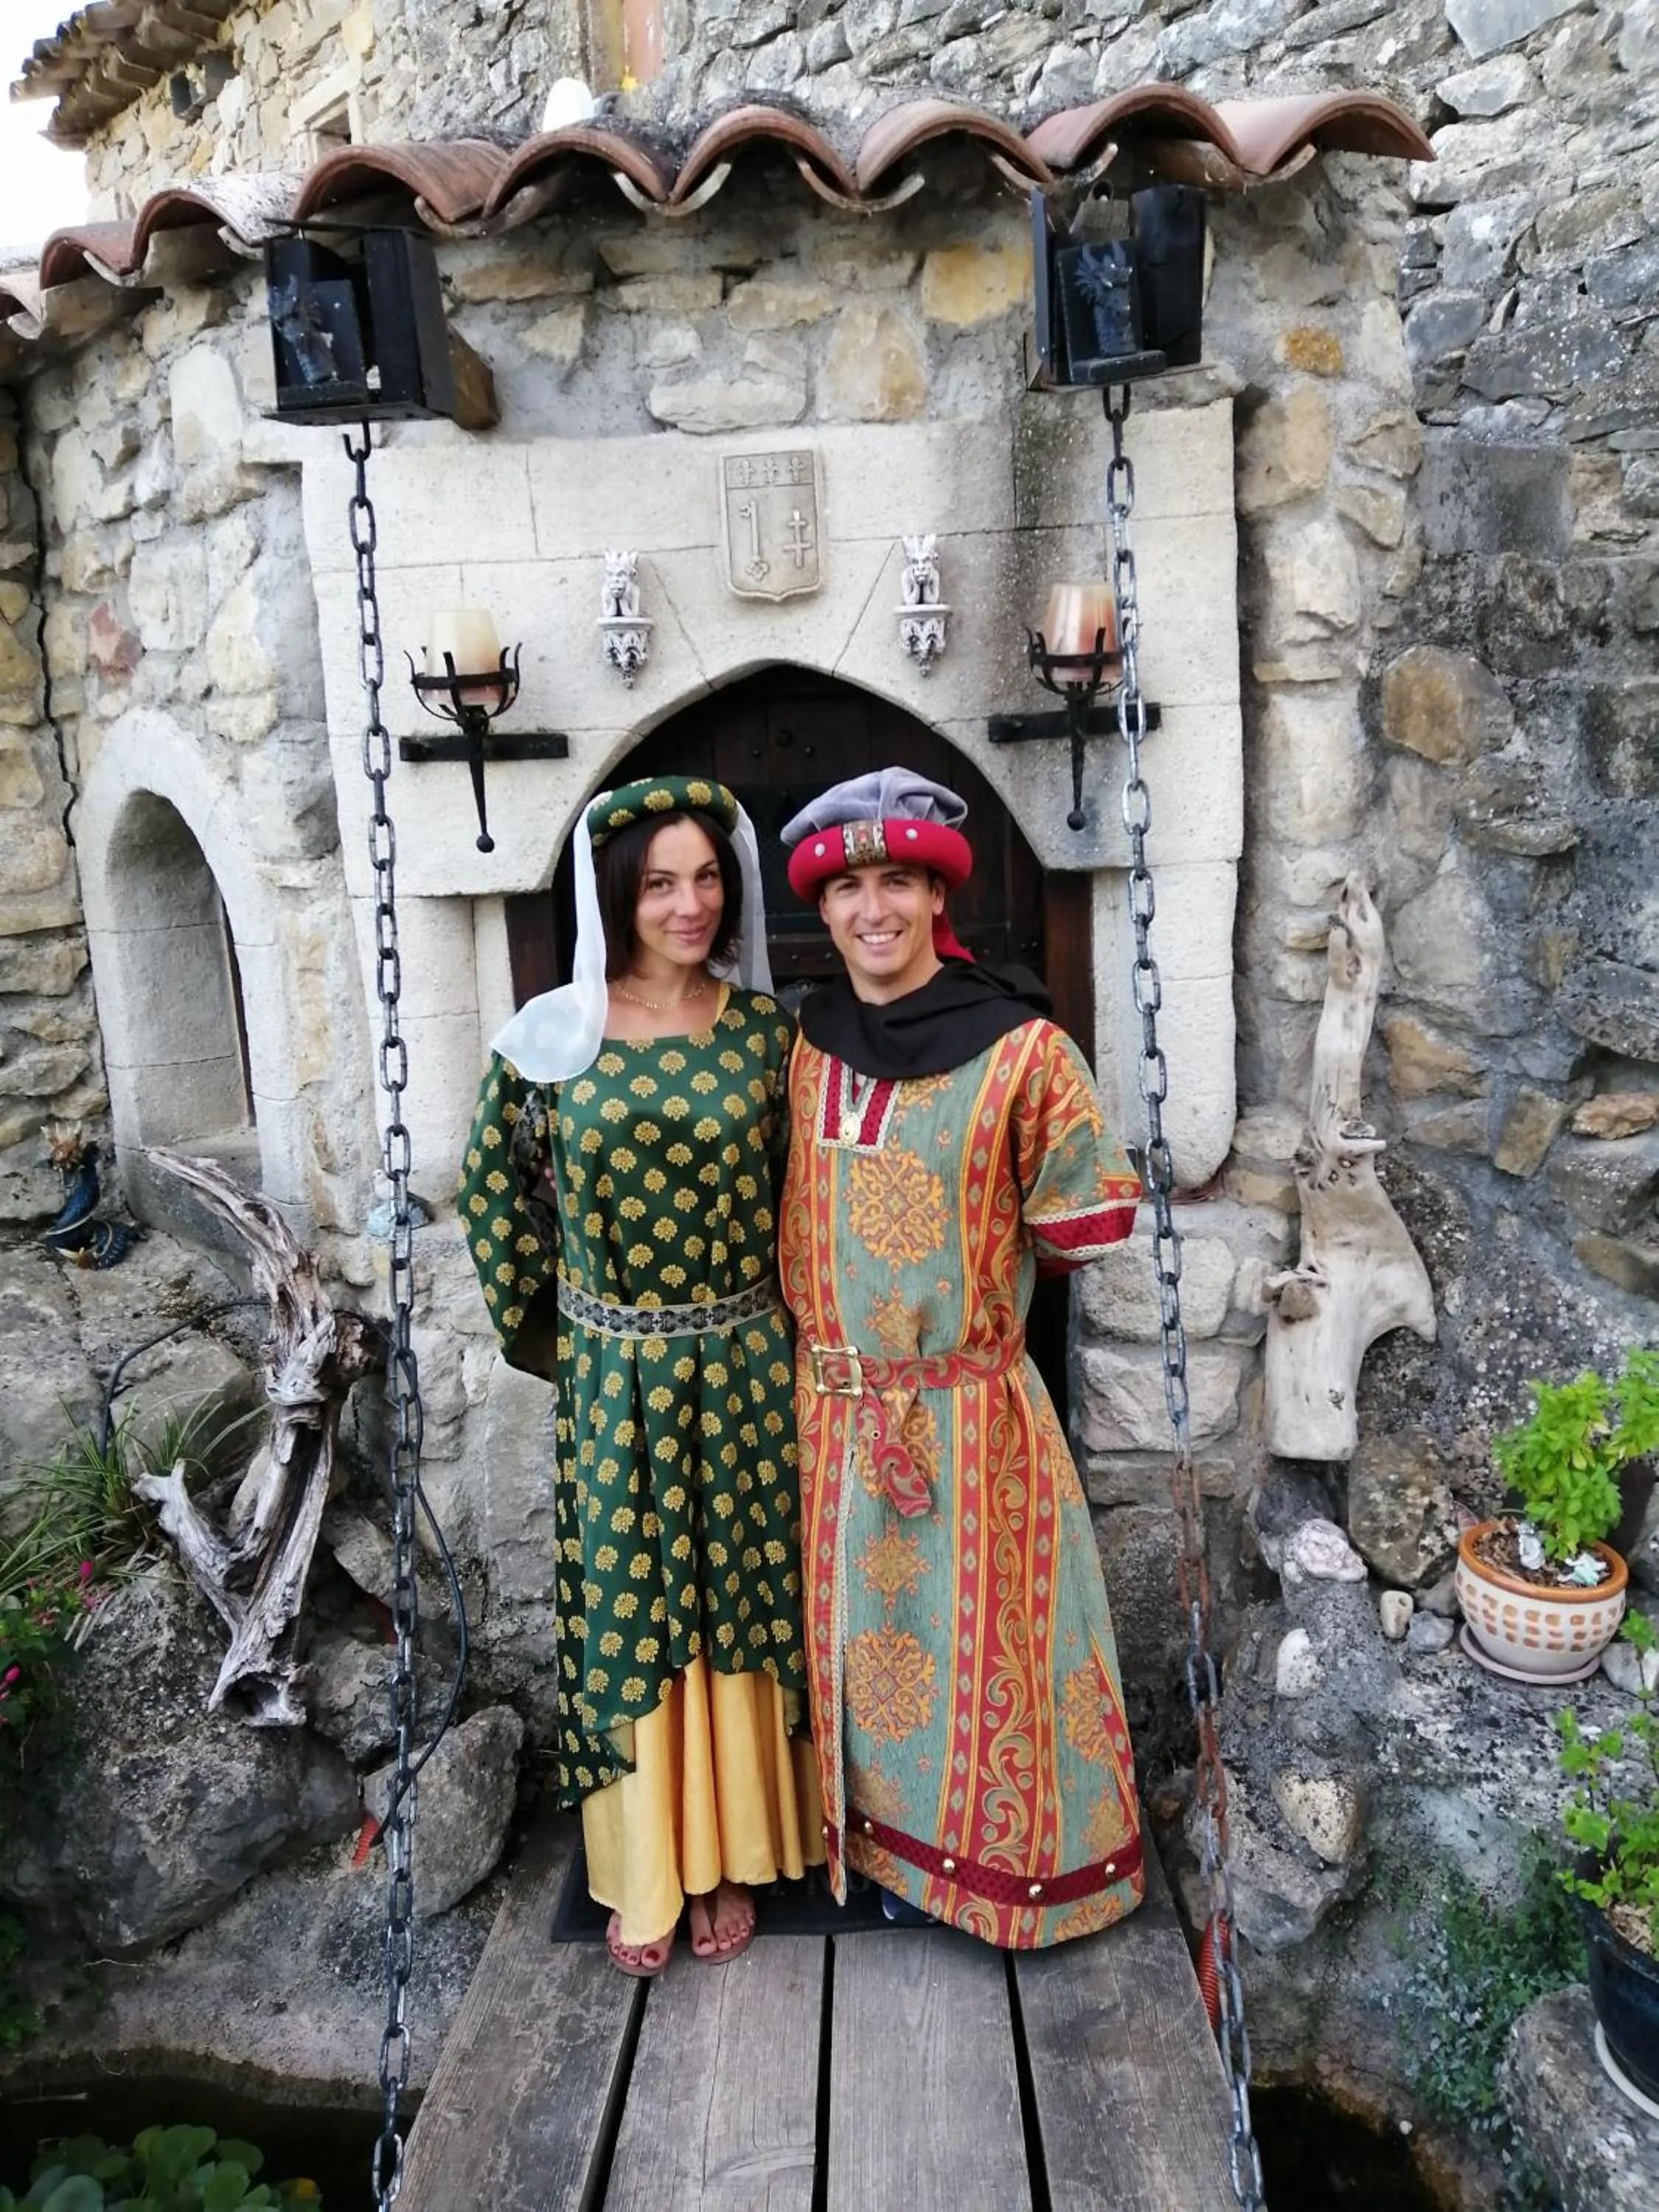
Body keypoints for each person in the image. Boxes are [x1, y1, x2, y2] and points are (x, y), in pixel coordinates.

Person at [777, 767, 1145, 1948]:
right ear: (821, 910)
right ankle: (876, 1854)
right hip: (828, 1422)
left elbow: (1083, 1221)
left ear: (937, 895)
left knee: (987, 1655)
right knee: (858, 1659)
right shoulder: (801, 1043)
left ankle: (997, 1881)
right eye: (846, 888)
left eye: (897, 882)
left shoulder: (1025, 1050)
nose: (871, 909)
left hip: (969, 1420)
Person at [459, 774, 819, 1978]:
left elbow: (808, 1207)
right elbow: (492, 1196)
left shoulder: (769, 1039)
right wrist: (564, 1342)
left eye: (708, 877)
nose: (690, 902)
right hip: (615, 1378)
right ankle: (651, 1863)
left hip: (747, 1367)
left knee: (741, 1596)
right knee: (629, 1607)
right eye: (661, 881)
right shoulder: (548, 1039)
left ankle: (731, 1854)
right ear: (618, 893)